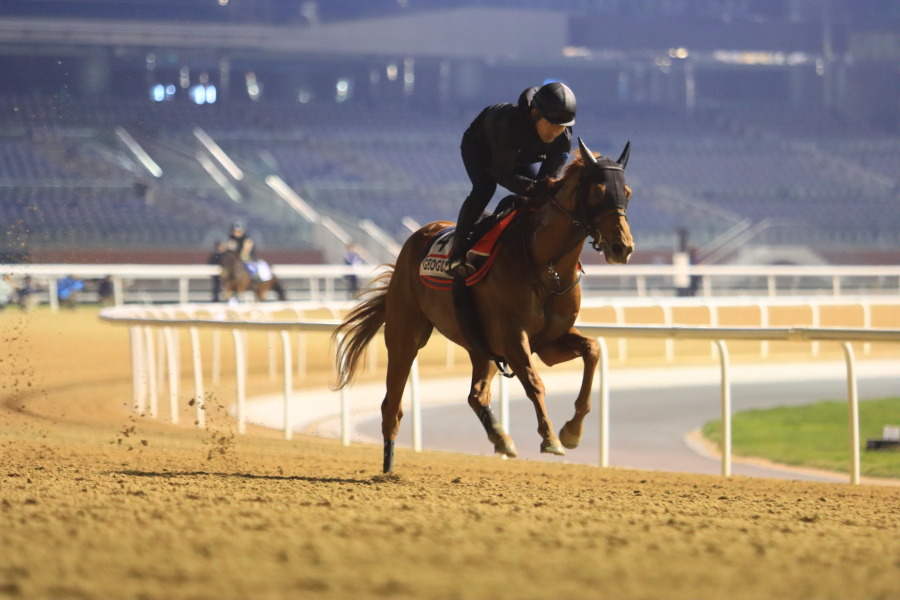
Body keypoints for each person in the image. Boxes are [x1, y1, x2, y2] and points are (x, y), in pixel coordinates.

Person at [447, 81, 576, 277]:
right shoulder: (511, 126)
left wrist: (541, 191)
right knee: (484, 189)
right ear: (534, 114)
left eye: (560, 127)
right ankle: (456, 254)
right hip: (481, 147)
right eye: (550, 124)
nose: (554, 132)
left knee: (541, 197)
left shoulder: (563, 138)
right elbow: (503, 175)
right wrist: (532, 188)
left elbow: (546, 185)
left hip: (519, 152)